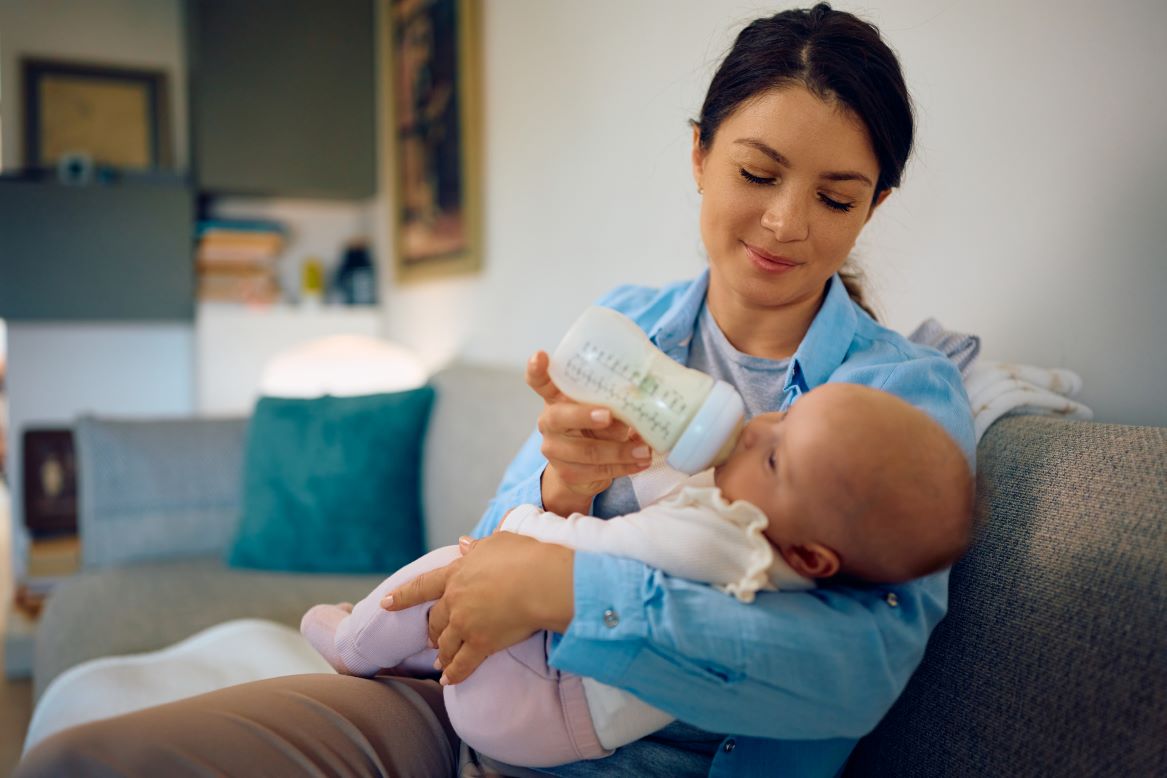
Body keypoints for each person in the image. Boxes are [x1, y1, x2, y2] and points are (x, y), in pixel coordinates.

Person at [16, 5, 976, 776]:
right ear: (698, 155)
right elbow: (485, 562)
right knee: (96, 757)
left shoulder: (898, 400)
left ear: (874, 205)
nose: (784, 221)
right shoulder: (628, 325)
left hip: (657, 755)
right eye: (756, 172)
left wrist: (572, 586)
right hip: (458, 698)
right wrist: (557, 492)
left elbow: (852, 673)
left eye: (835, 198)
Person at [300, 382, 974, 769]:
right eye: (785, 413)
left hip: (533, 715)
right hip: (519, 702)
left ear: (810, 557)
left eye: (774, 458)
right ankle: (393, 653)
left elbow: (598, 547)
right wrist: (566, 479)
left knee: (460, 564)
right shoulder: (766, 529)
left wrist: (528, 544)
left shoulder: (725, 541)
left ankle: (355, 639)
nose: (755, 429)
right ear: (701, 157)